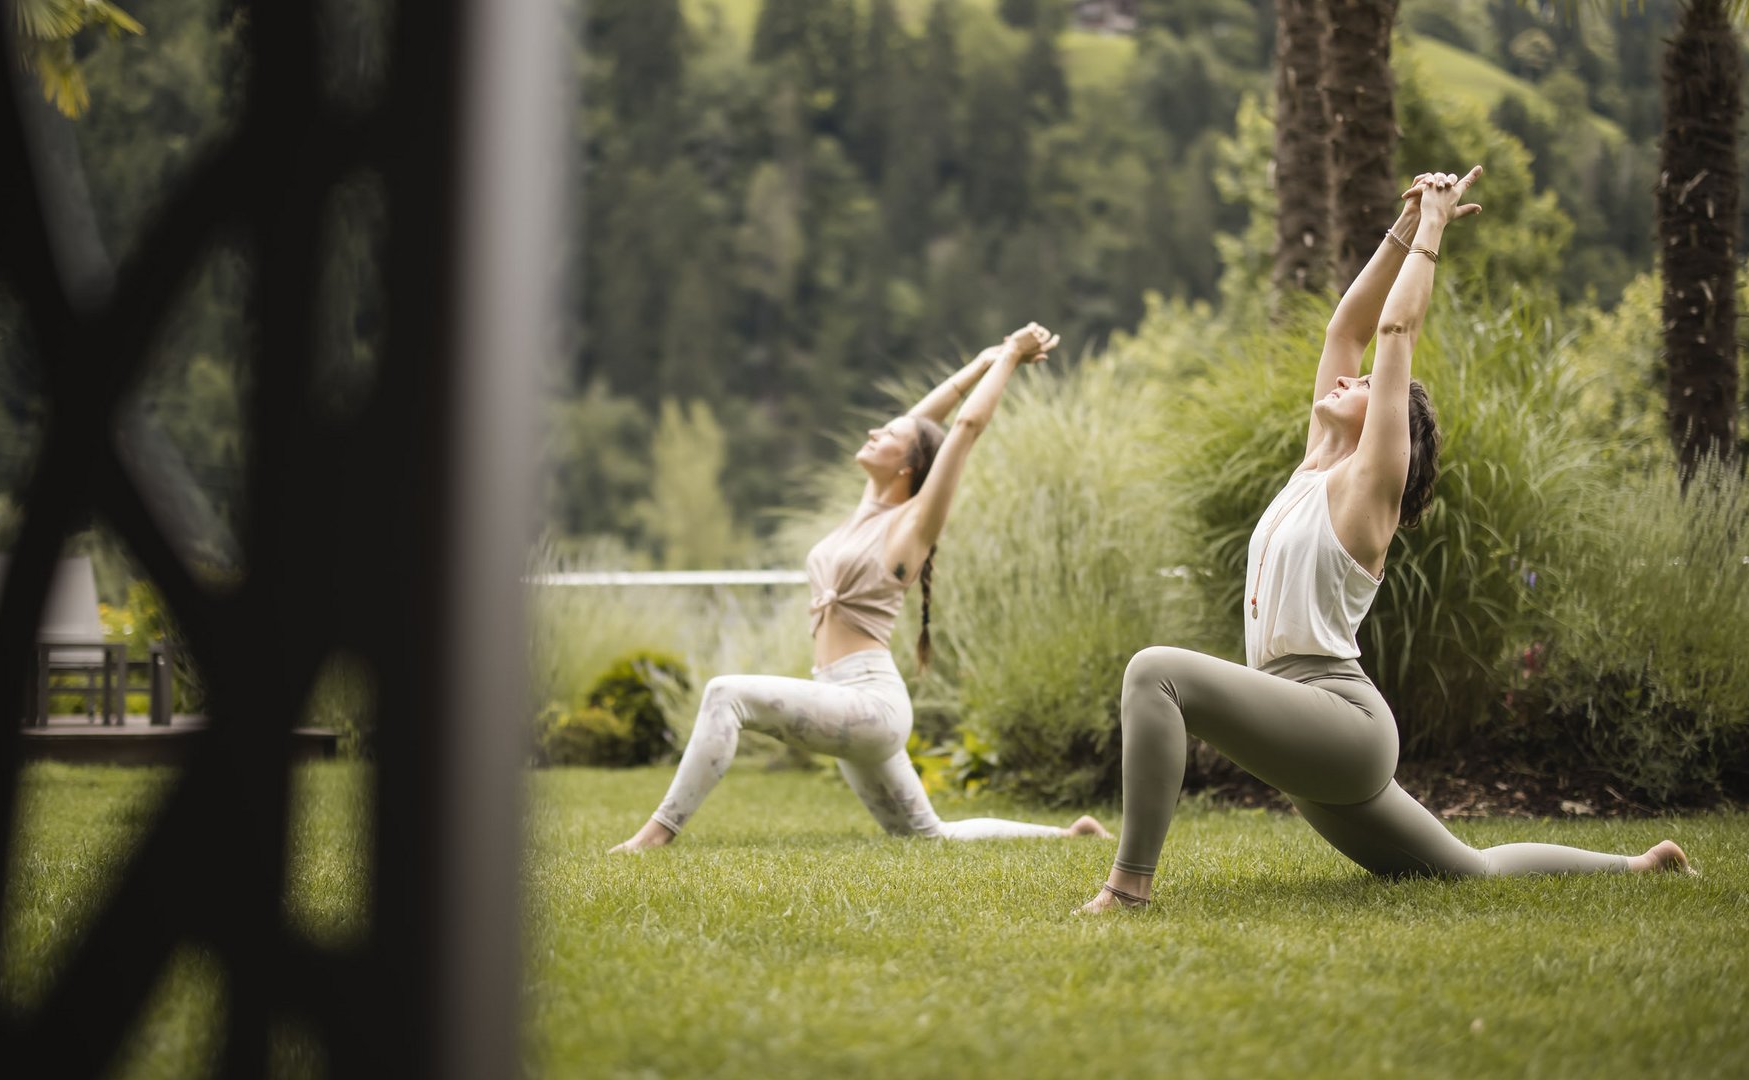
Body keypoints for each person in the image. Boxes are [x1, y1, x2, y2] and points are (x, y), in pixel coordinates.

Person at [1079, 168, 1693, 911]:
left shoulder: (1368, 487)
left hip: (1338, 722)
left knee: (1155, 673)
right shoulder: (1316, 463)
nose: (1348, 378)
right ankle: (1638, 866)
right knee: (1470, 872)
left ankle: (1128, 891)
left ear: (1390, 427)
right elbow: (1350, 328)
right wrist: (1402, 225)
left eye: (1366, 384)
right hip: (1303, 725)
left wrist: (1434, 230)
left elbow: (1396, 331)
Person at [612, 323, 1109, 853]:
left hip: (869, 704)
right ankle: (1071, 832)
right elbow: (923, 425)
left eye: (887, 435)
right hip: (839, 693)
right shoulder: (868, 511)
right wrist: (981, 362)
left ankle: (655, 835)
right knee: (926, 836)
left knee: (726, 694)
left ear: (910, 466)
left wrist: (1010, 357)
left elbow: (962, 429)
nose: (874, 433)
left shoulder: (911, 525)